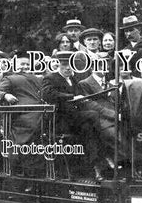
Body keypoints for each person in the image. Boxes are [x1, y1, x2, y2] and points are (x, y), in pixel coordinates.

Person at [41, 51, 103, 181]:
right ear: (59, 64)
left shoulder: (74, 80)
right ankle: (99, 159)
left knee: (88, 129)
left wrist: (82, 100)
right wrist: (72, 97)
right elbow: (47, 94)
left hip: (75, 119)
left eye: (71, 65)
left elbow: (80, 96)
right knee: (93, 115)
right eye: (64, 65)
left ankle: (95, 167)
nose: (68, 68)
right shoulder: (50, 78)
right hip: (60, 119)